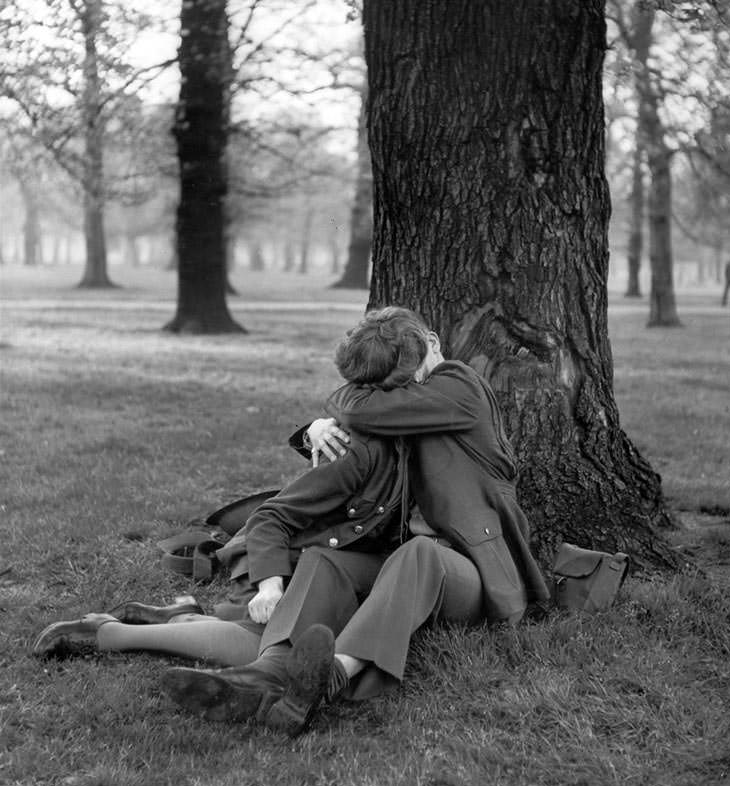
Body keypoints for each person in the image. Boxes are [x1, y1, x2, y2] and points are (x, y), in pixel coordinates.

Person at [156, 306, 549, 736]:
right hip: (401, 571)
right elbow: (365, 413)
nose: (411, 386)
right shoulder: (398, 411)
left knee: (422, 552)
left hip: (471, 575)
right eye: (393, 383)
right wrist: (316, 430)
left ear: (434, 343)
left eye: (410, 375)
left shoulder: (460, 385)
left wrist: (326, 416)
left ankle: (335, 673)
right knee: (325, 560)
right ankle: (267, 674)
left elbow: (361, 409)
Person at [32, 423, 407, 714]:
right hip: (284, 555)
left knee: (274, 645)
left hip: (317, 560)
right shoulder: (356, 440)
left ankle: (175, 618)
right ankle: (111, 634)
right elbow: (270, 519)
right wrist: (269, 584)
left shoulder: (412, 421)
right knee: (269, 646)